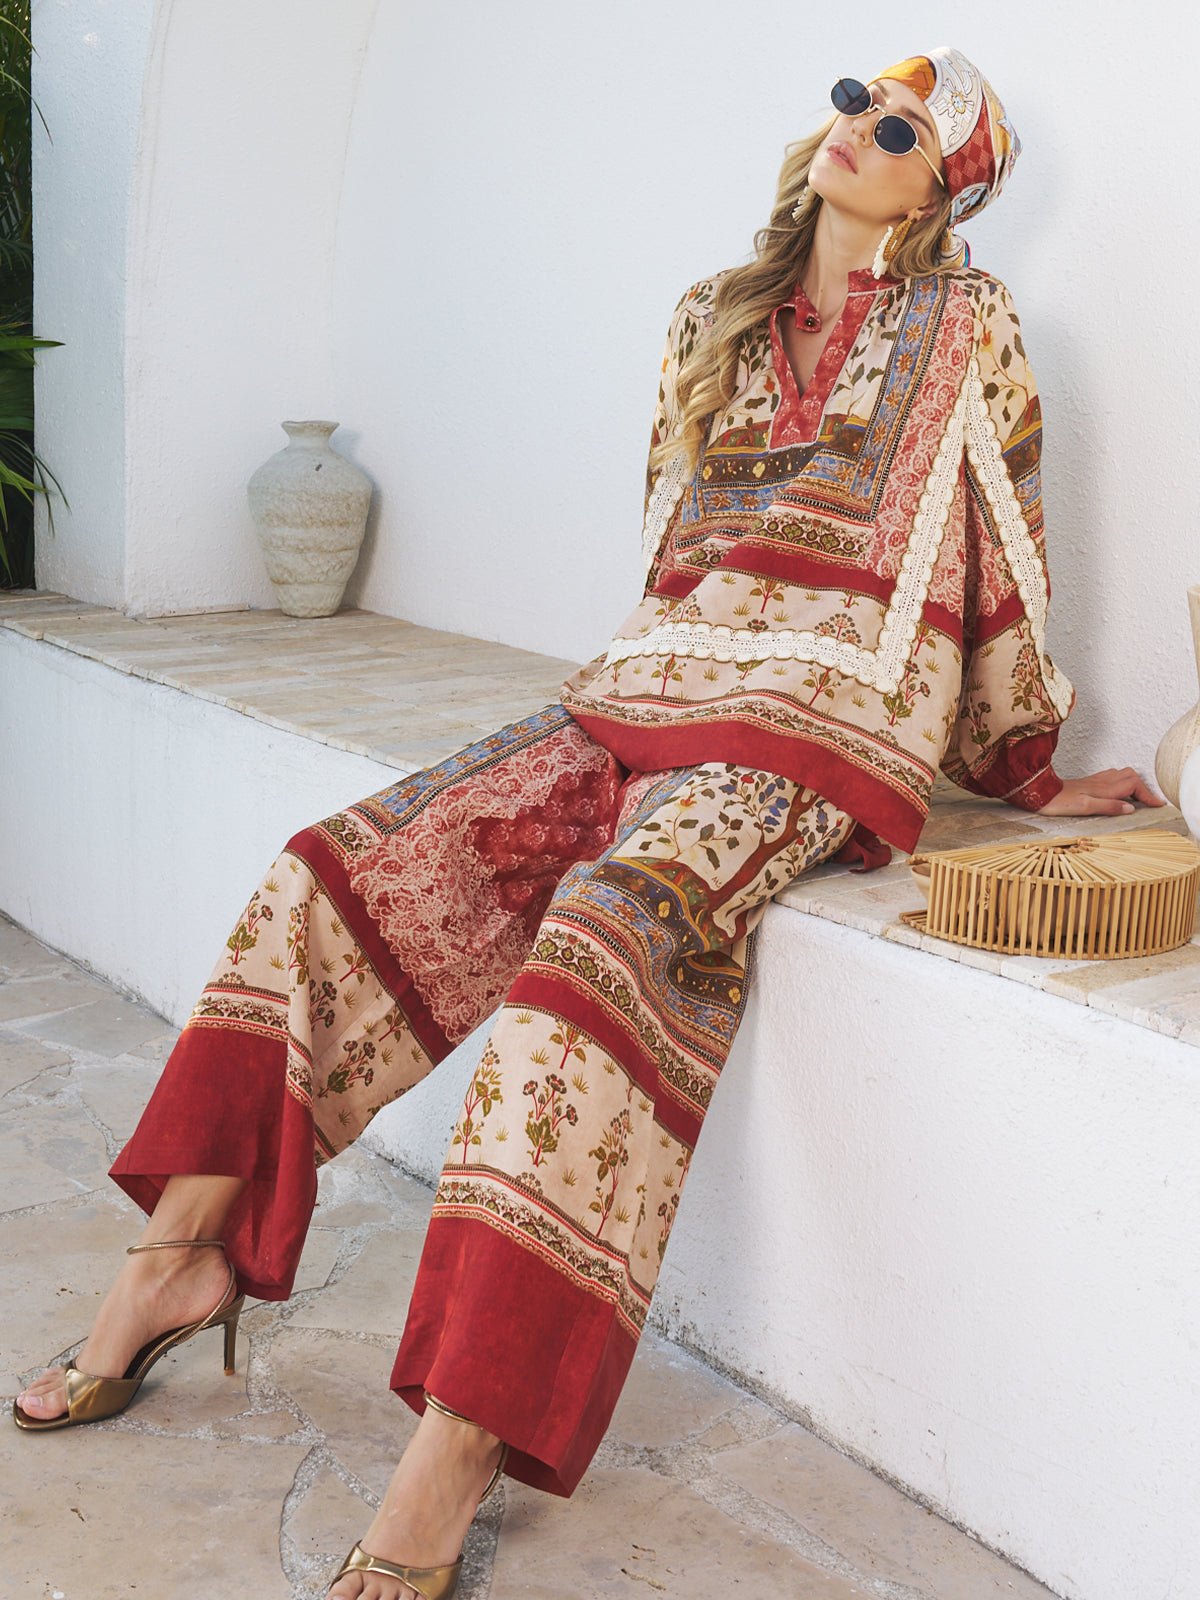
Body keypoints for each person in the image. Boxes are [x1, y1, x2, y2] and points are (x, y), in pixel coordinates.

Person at [10, 44, 1163, 1600]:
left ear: (943, 187)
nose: (854, 134)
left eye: (899, 129)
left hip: (812, 733)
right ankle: (182, 1257)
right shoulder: (712, 314)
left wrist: (1025, 766)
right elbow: (664, 544)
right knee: (335, 877)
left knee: (592, 968)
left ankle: (463, 1437)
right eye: (849, 100)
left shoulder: (968, 326)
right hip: (640, 695)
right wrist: (614, 705)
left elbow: (1002, 545)